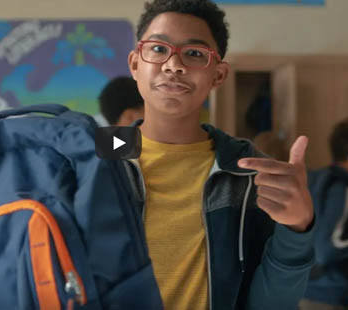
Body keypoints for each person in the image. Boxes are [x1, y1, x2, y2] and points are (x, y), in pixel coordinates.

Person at [125, 0, 315, 309]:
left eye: (195, 54)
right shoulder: (93, 160)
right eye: (159, 49)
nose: (174, 65)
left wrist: (297, 228)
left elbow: (270, 303)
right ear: (135, 63)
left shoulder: (249, 171)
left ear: (219, 75)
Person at [300, 118, 348, 310]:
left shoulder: (317, 179)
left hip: (302, 289)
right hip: (326, 294)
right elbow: (326, 249)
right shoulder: (343, 190)